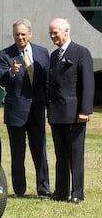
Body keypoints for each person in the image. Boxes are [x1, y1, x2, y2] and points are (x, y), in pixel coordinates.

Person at [0, 18, 51, 198]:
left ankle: (43, 189)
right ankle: (19, 190)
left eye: (23, 34)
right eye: (16, 34)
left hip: (36, 111)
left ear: (30, 34)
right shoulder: (5, 54)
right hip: (16, 113)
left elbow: (47, 82)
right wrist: (11, 72)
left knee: (40, 152)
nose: (19, 37)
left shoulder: (43, 53)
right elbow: (1, 79)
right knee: (18, 154)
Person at [48, 18, 94, 204]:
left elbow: (88, 84)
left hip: (75, 114)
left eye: (55, 33)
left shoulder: (81, 52)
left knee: (76, 155)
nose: (52, 36)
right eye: (50, 33)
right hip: (56, 113)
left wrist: (85, 111)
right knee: (61, 155)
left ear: (66, 31)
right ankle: (61, 192)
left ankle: (77, 193)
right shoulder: (53, 55)